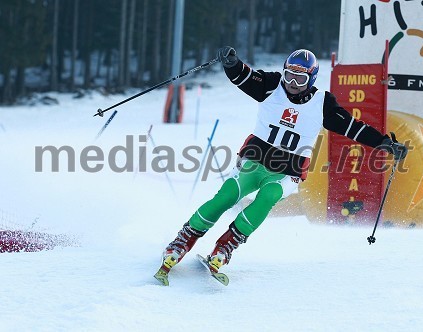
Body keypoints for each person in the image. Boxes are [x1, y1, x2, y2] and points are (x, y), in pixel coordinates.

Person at [154, 47, 407, 285]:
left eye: (300, 79)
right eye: (289, 76)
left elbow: (353, 128)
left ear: (311, 79)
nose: (292, 84)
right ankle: (184, 239)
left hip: (287, 170)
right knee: (229, 194)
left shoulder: (323, 103)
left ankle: (227, 245)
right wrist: (232, 63)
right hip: (255, 159)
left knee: (268, 196)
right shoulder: (272, 85)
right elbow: (243, 76)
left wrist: (384, 143)